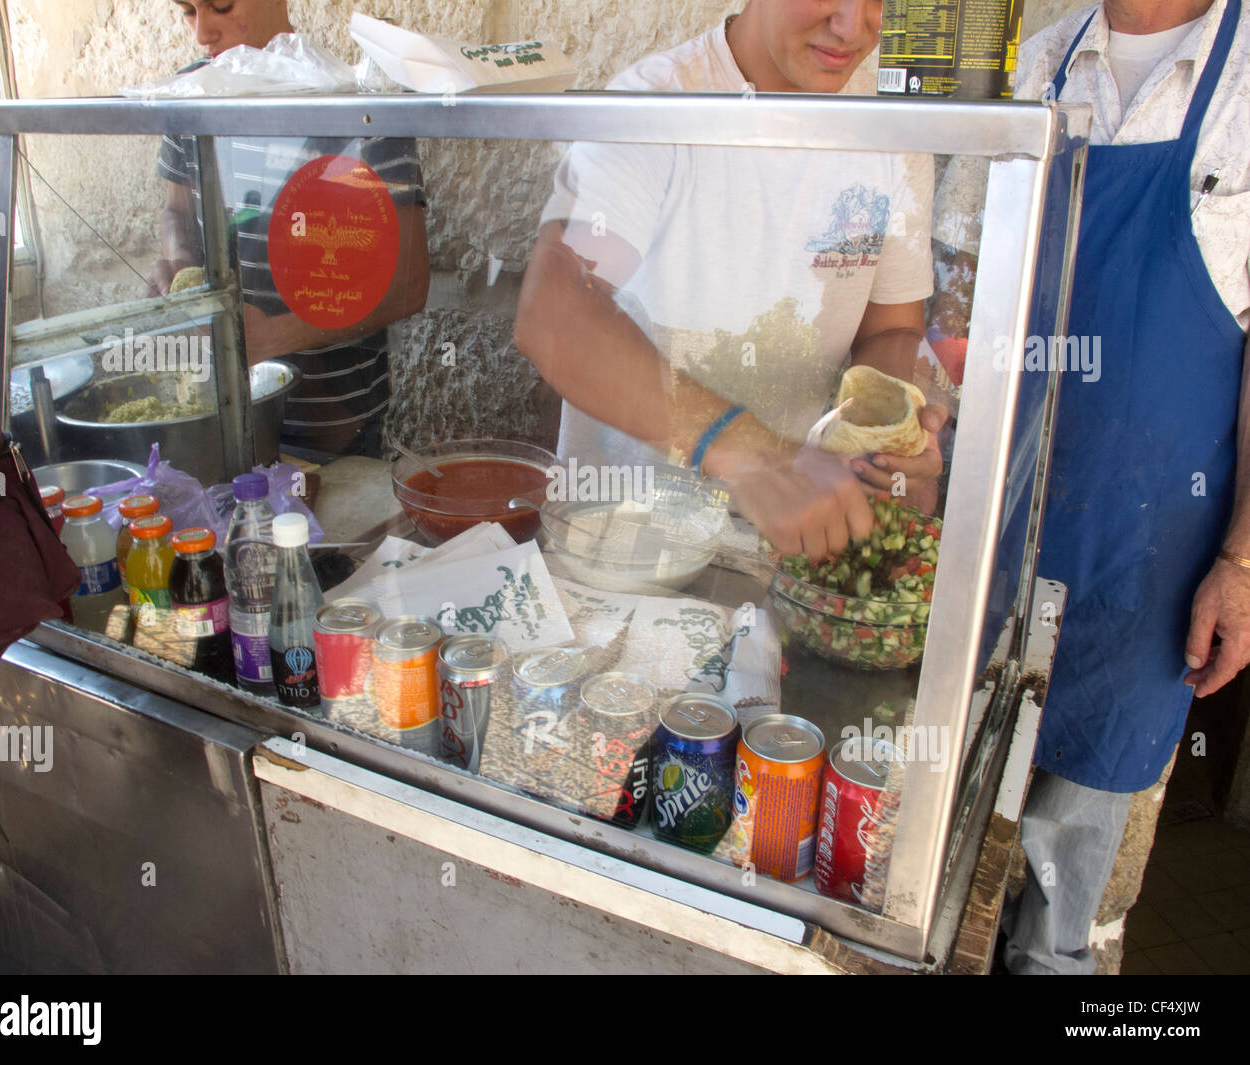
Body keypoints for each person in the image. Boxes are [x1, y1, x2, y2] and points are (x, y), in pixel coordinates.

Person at [936, 0, 1250, 974]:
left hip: (1144, 562)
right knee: (940, 872)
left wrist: (1243, 559)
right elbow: (953, 296)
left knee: (1064, 909)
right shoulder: (1036, 66)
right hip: (992, 538)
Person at [515, 0, 946, 560]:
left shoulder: (891, 125)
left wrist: (894, 435)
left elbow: (891, 327)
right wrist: (750, 453)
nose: (851, 25)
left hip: (792, 554)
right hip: (620, 542)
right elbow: (554, 314)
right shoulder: (657, 105)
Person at [149, 0, 430, 457]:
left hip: (334, 427)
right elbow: (176, 213)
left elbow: (408, 284)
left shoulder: (352, 108)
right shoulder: (191, 94)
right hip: (221, 416)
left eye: (221, 6)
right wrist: (179, 264)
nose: (202, 33)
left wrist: (270, 336)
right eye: (187, 10)